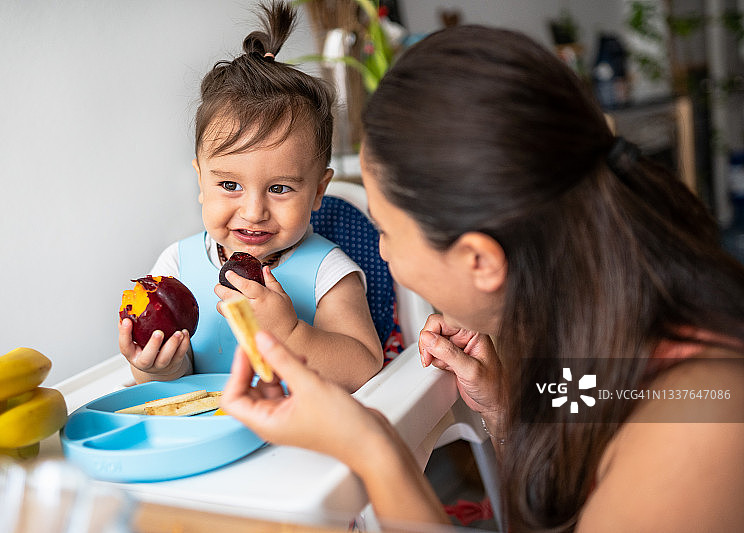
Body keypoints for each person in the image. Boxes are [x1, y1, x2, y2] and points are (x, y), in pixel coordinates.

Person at [221, 23, 744, 533]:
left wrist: (373, 449)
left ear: (480, 261)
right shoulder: (585, 328)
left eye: (386, 231)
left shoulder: (701, 420)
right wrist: (505, 408)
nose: (381, 251)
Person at [118, 1, 383, 392]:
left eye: (279, 188)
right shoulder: (176, 266)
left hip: (303, 426)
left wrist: (290, 333)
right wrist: (158, 367)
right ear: (201, 182)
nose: (254, 211)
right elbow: (172, 382)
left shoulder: (327, 272)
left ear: (317, 191)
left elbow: (363, 367)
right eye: (230, 185)